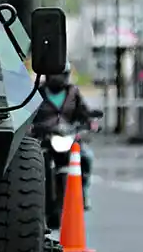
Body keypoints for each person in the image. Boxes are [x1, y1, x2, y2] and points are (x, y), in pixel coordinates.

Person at [32, 68, 98, 208]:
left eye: (61, 74)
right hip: (45, 138)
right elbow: (28, 115)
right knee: (33, 162)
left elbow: (83, 112)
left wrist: (90, 123)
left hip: (68, 136)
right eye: (54, 74)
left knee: (87, 157)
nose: (58, 78)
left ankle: (84, 192)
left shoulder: (73, 92)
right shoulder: (38, 92)